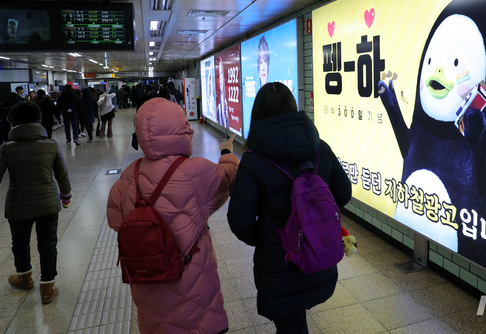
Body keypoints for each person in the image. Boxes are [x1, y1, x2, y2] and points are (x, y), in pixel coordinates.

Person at [227, 82, 351, 334]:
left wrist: (267, 237)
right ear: (293, 107)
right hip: (319, 252)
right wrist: (317, 219)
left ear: (258, 114)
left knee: (290, 324)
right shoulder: (320, 148)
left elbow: (240, 221)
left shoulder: (253, 160)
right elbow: (343, 192)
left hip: (280, 261)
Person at [107, 97, 239, 334]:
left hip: (147, 280)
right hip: (192, 281)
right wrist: (227, 152)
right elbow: (230, 177)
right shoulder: (196, 170)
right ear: (180, 130)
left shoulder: (127, 176)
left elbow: (116, 221)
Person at [0, 101, 72, 305]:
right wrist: (66, 197)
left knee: (20, 243)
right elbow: (62, 174)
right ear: (38, 121)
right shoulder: (51, 144)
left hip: (18, 205)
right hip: (48, 204)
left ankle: (24, 278)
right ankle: (47, 288)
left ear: (13, 124)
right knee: (48, 245)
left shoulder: (7, 148)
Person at [217, 57, 230, 129]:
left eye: (221, 73)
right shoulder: (219, 105)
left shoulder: (227, 100)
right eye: (219, 74)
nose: (220, 78)